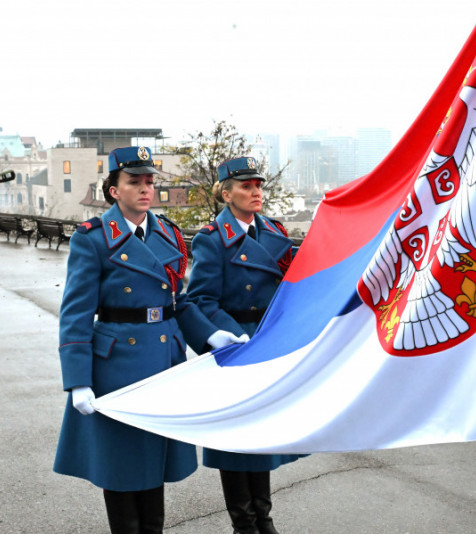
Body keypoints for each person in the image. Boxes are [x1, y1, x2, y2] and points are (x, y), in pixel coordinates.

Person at [53, 146, 246, 534]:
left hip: (162, 364)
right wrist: (77, 381)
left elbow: (178, 301)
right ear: (114, 191)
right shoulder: (93, 239)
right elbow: (75, 314)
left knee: (153, 465)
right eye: (134, 182)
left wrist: (210, 334)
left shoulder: (168, 235)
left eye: (149, 181)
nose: (145, 189)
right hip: (115, 369)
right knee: (121, 467)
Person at [186, 156, 304, 534]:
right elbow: (201, 299)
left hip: (269, 342)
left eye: (258, 186)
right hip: (236, 345)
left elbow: (296, 280)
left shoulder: (273, 232)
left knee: (260, 432)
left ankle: (263, 518)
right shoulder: (211, 239)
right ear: (226, 193)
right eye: (246, 186)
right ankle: (244, 523)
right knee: (236, 438)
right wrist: (228, 334)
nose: (256, 192)